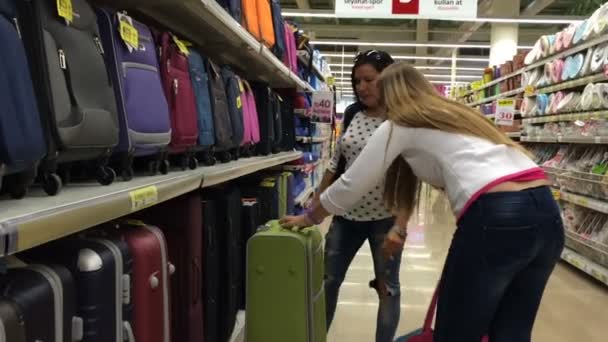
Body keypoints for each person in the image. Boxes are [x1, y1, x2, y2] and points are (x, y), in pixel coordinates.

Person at [281, 63, 564, 342]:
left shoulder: (401, 122)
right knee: (512, 331)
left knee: (456, 332)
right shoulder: (456, 115)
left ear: (389, 94)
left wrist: (310, 217)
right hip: (547, 212)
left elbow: (352, 183)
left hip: (497, 216)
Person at [313, 50, 401, 342]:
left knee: (388, 290)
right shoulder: (352, 113)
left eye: (369, 80)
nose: (362, 87)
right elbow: (336, 161)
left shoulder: (402, 119)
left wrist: (400, 225)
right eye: (357, 81)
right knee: (327, 282)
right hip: (346, 217)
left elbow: (409, 176)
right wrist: (319, 197)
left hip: (384, 220)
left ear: (387, 79)